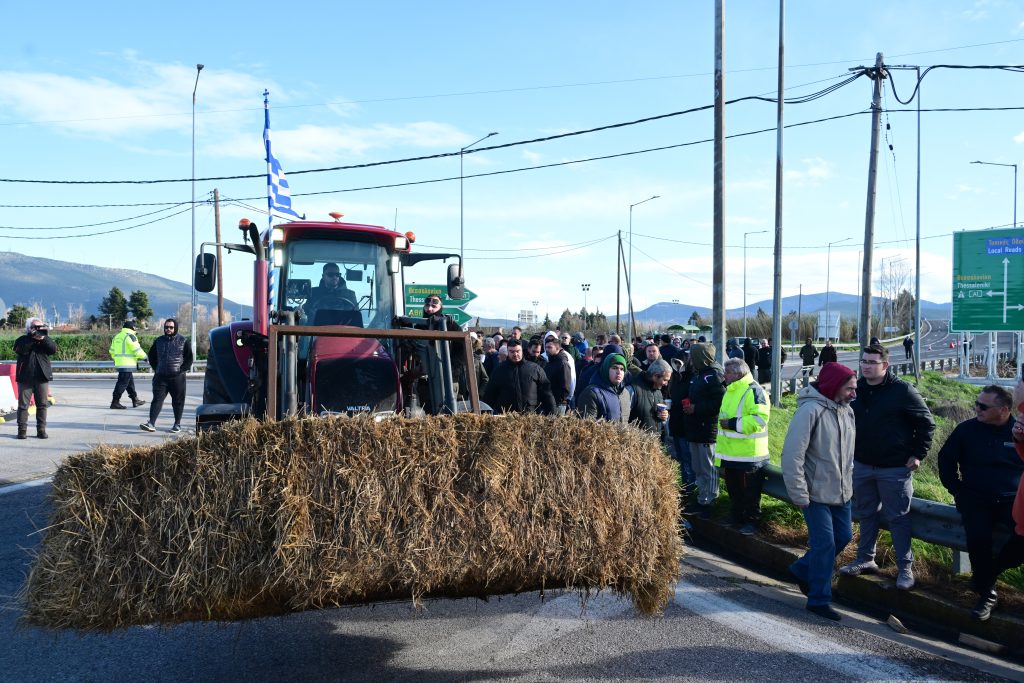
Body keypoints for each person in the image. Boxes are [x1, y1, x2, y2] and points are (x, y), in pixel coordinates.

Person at [839, 343, 934, 592]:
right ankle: (865, 559)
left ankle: (905, 569)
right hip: (861, 463)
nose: (866, 366)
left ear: (885, 365)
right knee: (866, 513)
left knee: (898, 518)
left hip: (894, 467)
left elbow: (926, 423)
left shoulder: (902, 391)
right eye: (864, 361)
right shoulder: (856, 389)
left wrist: (917, 454)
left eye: (872, 362)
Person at [937, 384, 1023, 621]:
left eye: (984, 406)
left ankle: (988, 575)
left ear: (1004, 410)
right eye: (976, 403)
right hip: (976, 499)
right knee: (979, 539)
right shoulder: (966, 431)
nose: (977, 408)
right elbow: (945, 461)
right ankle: (987, 595)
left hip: (1011, 500)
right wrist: (958, 491)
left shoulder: (1018, 431)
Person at [782, 362, 858, 621]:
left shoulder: (848, 411)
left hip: (842, 492)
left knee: (843, 537)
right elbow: (793, 455)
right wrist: (799, 493)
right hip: (814, 493)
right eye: (849, 388)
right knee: (824, 544)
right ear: (835, 386)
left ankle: (802, 569)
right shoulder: (810, 411)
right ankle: (819, 599)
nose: (853, 393)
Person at [716, 357, 770, 535]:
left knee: (750, 493)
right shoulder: (731, 389)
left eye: (727, 372)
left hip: (749, 455)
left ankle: (752, 522)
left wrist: (732, 424)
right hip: (731, 453)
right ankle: (737, 516)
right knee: (734, 490)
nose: (724, 375)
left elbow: (759, 420)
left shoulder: (754, 390)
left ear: (738, 373)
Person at [683, 342, 726, 518]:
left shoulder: (714, 374)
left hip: (708, 430)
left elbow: (720, 403)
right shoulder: (700, 373)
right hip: (695, 429)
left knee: (709, 467)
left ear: (701, 357)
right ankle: (702, 498)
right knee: (698, 467)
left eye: (693, 356)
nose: (690, 360)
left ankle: (710, 501)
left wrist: (696, 408)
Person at [140, 318, 193, 434]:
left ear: (175, 328)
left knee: (178, 401)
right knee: (156, 400)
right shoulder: (158, 341)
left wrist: (182, 370)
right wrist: (156, 369)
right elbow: (152, 356)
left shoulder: (183, 341)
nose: (168, 329)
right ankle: (151, 423)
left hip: (177, 378)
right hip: (160, 377)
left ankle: (177, 424)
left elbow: (189, 358)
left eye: (171, 327)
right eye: (166, 327)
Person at [481, 338, 555, 415]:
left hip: (530, 417)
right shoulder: (499, 371)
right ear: (508, 352)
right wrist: (484, 415)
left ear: (522, 351)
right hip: (506, 418)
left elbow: (547, 393)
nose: (515, 354)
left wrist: (553, 414)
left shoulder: (535, 369)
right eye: (512, 351)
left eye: (517, 351)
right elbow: (489, 395)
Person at [14, 317, 57, 439]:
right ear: (29, 328)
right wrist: (32, 339)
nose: (38, 329)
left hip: (42, 377)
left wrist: (43, 339)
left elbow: (53, 349)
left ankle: (41, 430)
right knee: (23, 406)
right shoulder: (22, 340)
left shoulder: (45, 339)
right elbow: (20, 350)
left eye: (40, 327)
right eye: (35, 327)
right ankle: (22, 431)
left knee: (42, 405)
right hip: (25, 378)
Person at [577, 351, 631, 424]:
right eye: (614, 368)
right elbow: (586, 428)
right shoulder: (592, 393)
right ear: (606, 369)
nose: (619, 372)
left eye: (622, 369)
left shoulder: (625, 393)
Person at [108, 320, 147, 410]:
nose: (136, 329)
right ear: (132, 328)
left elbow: (111, 351)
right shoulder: (131, 336)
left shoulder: (117, 336)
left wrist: (117, 359)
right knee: (122, 383)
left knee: (129, 382)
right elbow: (136, 349)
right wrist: (145, 357)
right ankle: (115, 402)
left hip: (120, 363)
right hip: (128, 363)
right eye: (135, 327)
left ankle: (135, 399)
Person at [629, 358, 671, 436]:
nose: (666, 384)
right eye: (665, 380)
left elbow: (658, 416)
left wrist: (664, 416)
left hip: (654, 443)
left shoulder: (658, 390)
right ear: (655, 376)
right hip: (637, 442)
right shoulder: (633, 389)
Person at [544, 335, 572, 415]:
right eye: (546, 347)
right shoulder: (551, 362)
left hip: (558, 404)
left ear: (557, 348)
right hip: (549, 401)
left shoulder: (562, 363)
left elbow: (566, 386)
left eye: (550, 347)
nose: (547, 350)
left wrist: (558, 401)